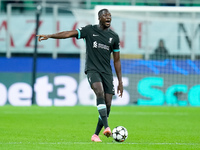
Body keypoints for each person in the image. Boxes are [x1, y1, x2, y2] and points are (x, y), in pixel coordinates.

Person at [36, 9, 123, 142]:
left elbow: (117, 60)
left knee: (108, 104)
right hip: (92, 69)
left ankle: (95, 135)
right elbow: (68, 34)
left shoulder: (114, 37)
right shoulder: (89, 30)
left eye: (110, 15)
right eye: (105, 15)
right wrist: (50, 35)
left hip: (107, 73)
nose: (108, 17)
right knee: (99, 92)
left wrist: (120, 82)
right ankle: (107, 127)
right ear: (99, 18)